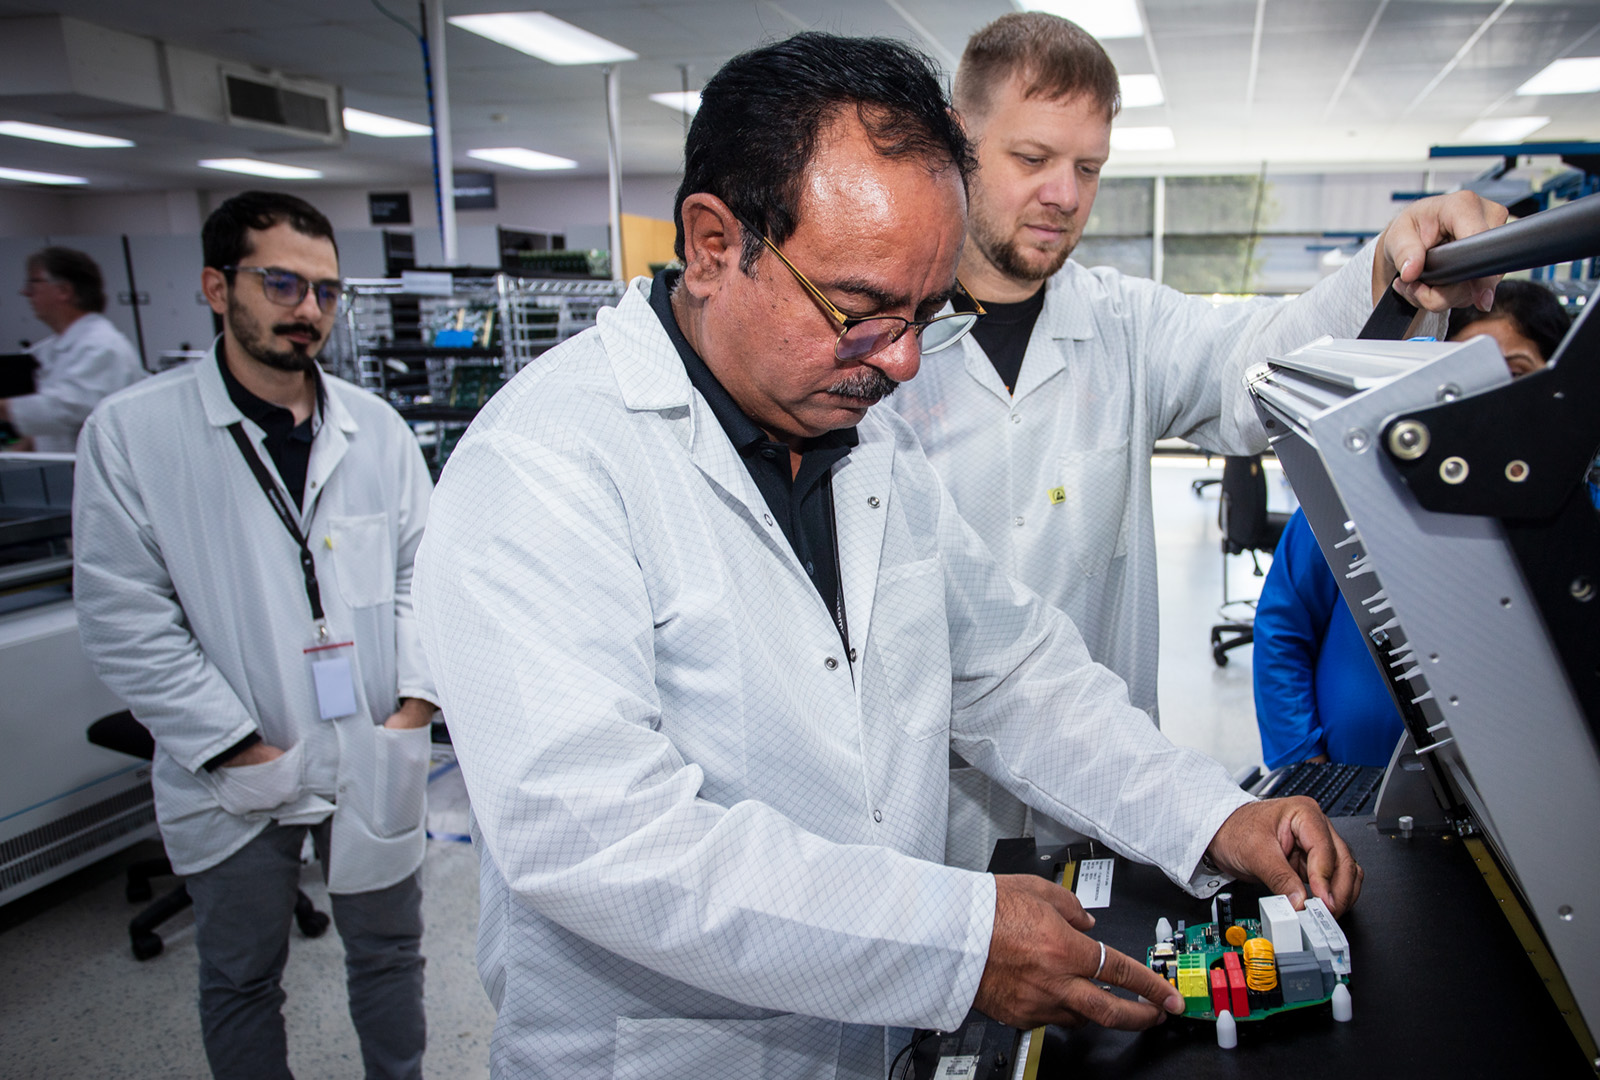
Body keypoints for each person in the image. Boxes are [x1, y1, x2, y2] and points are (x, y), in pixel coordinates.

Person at [415, 33, 1362, 1079]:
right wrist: (957, 939)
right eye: (862, 311)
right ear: (714, 241)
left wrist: (1212, 813)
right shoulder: (545, 464)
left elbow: (1011, 673)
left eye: (924, 313)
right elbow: (602, 841)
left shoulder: (865, 438)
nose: (905, 361)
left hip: (873, 1041)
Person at [883, 12, 1509, 869]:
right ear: (961, 141)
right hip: (931, 815)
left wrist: (1386, 270)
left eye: (1089, 168)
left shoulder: (1122, 325)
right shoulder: (878, 345)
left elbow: (1261, 361)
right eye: (1032, 159)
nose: (1064, 194)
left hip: (1104, 802)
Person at [72, 192, 438, 1080]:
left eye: (324, 291)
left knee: (390, 956)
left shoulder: (376, 430)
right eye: (281, 283)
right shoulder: (134, 434)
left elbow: (425, 578)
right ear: (215, 285)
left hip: (371, 743)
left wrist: (413, 707)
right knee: (241, 975)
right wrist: (237, 748)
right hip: (235, 762)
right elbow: (126, 614)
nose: (306, 309)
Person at [1251, 279, 1572, 769]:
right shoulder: (1355, 488)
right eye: (1466, 378)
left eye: (1514, 372)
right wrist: (1302, 762)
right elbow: (1284, 627)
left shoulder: (1579, 522)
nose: (1490, 400)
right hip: (1340, 789)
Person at [1, 247, 143, 452]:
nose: (26, 293)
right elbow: (54, 425)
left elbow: (66, 408)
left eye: (34, 283)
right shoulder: (55, 348)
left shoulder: (102, 346)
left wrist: (4, 408)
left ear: (64, 291)